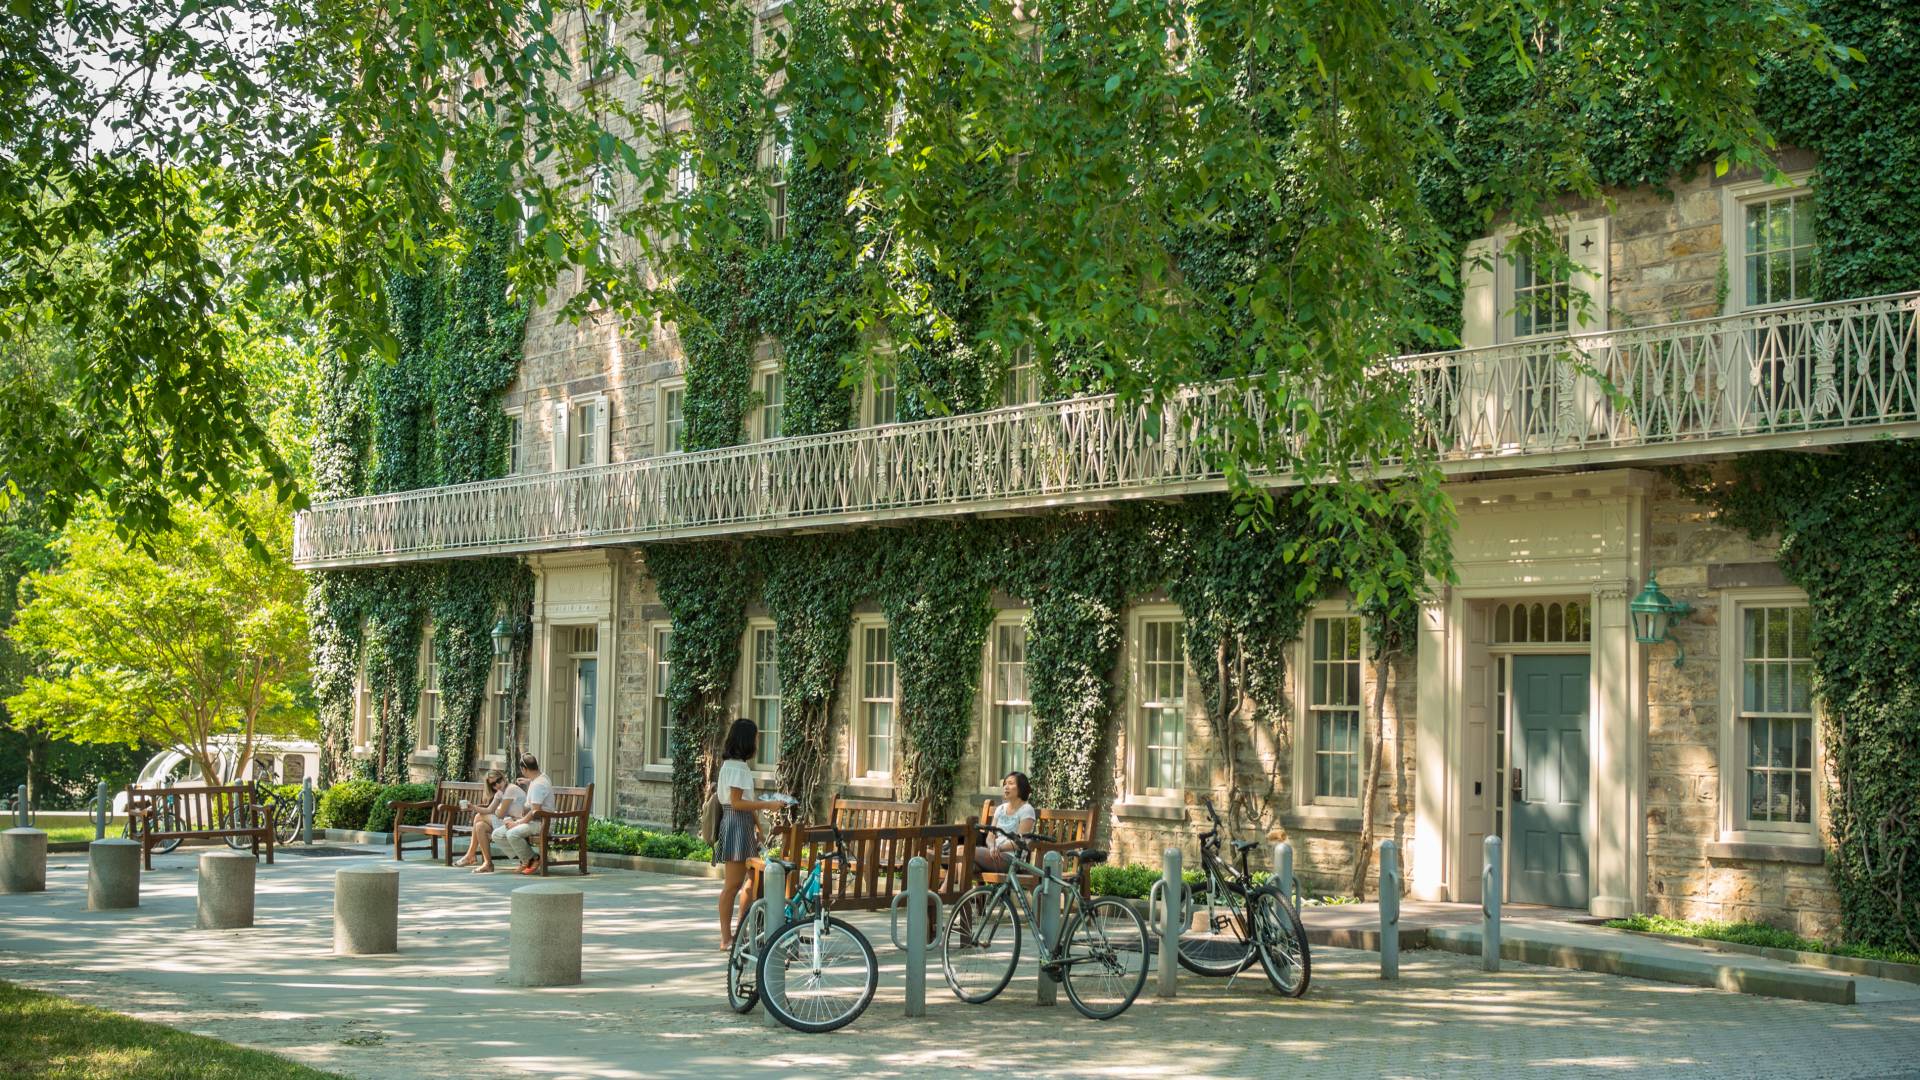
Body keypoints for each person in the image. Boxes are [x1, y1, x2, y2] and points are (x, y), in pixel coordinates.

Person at [715, 718, 795, 951]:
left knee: (751, 880)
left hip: (741, 825)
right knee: (732, 885)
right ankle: (726, 938)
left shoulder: (732, 766)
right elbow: (738, 803)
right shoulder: (737, 768)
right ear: (746, 740)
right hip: (736, 824)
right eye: (756, 737)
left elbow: (743, 802)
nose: (758, 741)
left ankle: (741, 932)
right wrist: (766, 806)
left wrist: (758, 828)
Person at [495, 753, 553, 875]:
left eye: (522, 770)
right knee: (497, 835)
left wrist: (517, 823)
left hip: (542, 823)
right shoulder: (539, 778)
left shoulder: (538, 784)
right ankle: (529, 858)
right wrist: (528, 782)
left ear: (524, 769)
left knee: (512, 834)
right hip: (533, 821)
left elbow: (535, 811)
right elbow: (538, 784)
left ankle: (532, 860)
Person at [457, 768, 522, 873]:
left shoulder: (511, 789)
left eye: (498, 780)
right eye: (493, 784)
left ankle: (470, 855)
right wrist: (472, 806)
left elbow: (499, 813)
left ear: (503, 777)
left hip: (518, 822)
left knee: (478, 817)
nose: (497, 785)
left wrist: (495, 810)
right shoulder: (500, 793)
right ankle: (488, 863)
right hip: (508, 821)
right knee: (480, 826)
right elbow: (489, 810)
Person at [976, 770, 1037, 872]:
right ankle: (944, 889)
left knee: (963, 852)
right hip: (994, 854)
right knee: (962, 865)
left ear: (1021, 788)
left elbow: (1020, 842)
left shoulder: (1027, 810)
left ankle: (944, 888)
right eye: (1005, 784)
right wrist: (992, 847)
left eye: (1011, 783)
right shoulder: (1000, 809)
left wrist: (999, 848)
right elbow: (990, 837)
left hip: (1013, 859)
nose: (1006, 787)